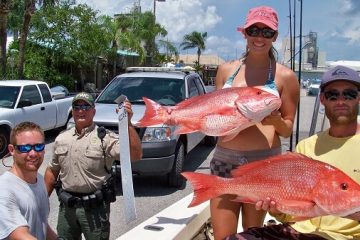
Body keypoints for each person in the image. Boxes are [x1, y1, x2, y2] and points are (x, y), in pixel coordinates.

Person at [226, 65, 360, 240]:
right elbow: (291, 215)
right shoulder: (306, 147)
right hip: (295, 232)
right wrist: (276, 209)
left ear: (358, 98)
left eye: (349, 94)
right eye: (332, 95)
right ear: (322, 100)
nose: (341, 101)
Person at [211, 5, 300, 240]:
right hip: (224, 161)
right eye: (254, 30)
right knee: (222, 236)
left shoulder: (286, 77)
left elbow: (288, 127)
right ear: (245, 33)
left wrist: (276, 121)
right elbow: (215, 112)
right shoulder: (225, 70)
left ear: (275, 37)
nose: (259, 37)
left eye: (267, 32)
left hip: (264, 165)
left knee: (254, 235)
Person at [44, 92, 142, 240]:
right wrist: (41, 201)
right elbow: (52, 171)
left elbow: (135, 155)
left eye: (86, 106)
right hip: (67, 209)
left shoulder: (105, 138)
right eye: (77, 107)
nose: (81, 110)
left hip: (94, 210)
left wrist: (127, 123)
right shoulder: (61, 138)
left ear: (93, 111)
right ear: (72, 111)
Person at [0, 122, 57, 240]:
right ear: (12, 150)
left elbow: (41, 223)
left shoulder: (39, 180)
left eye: (39, 146)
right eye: (25, 148)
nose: (33, 153)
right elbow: (20, 235)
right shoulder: (4, 190)